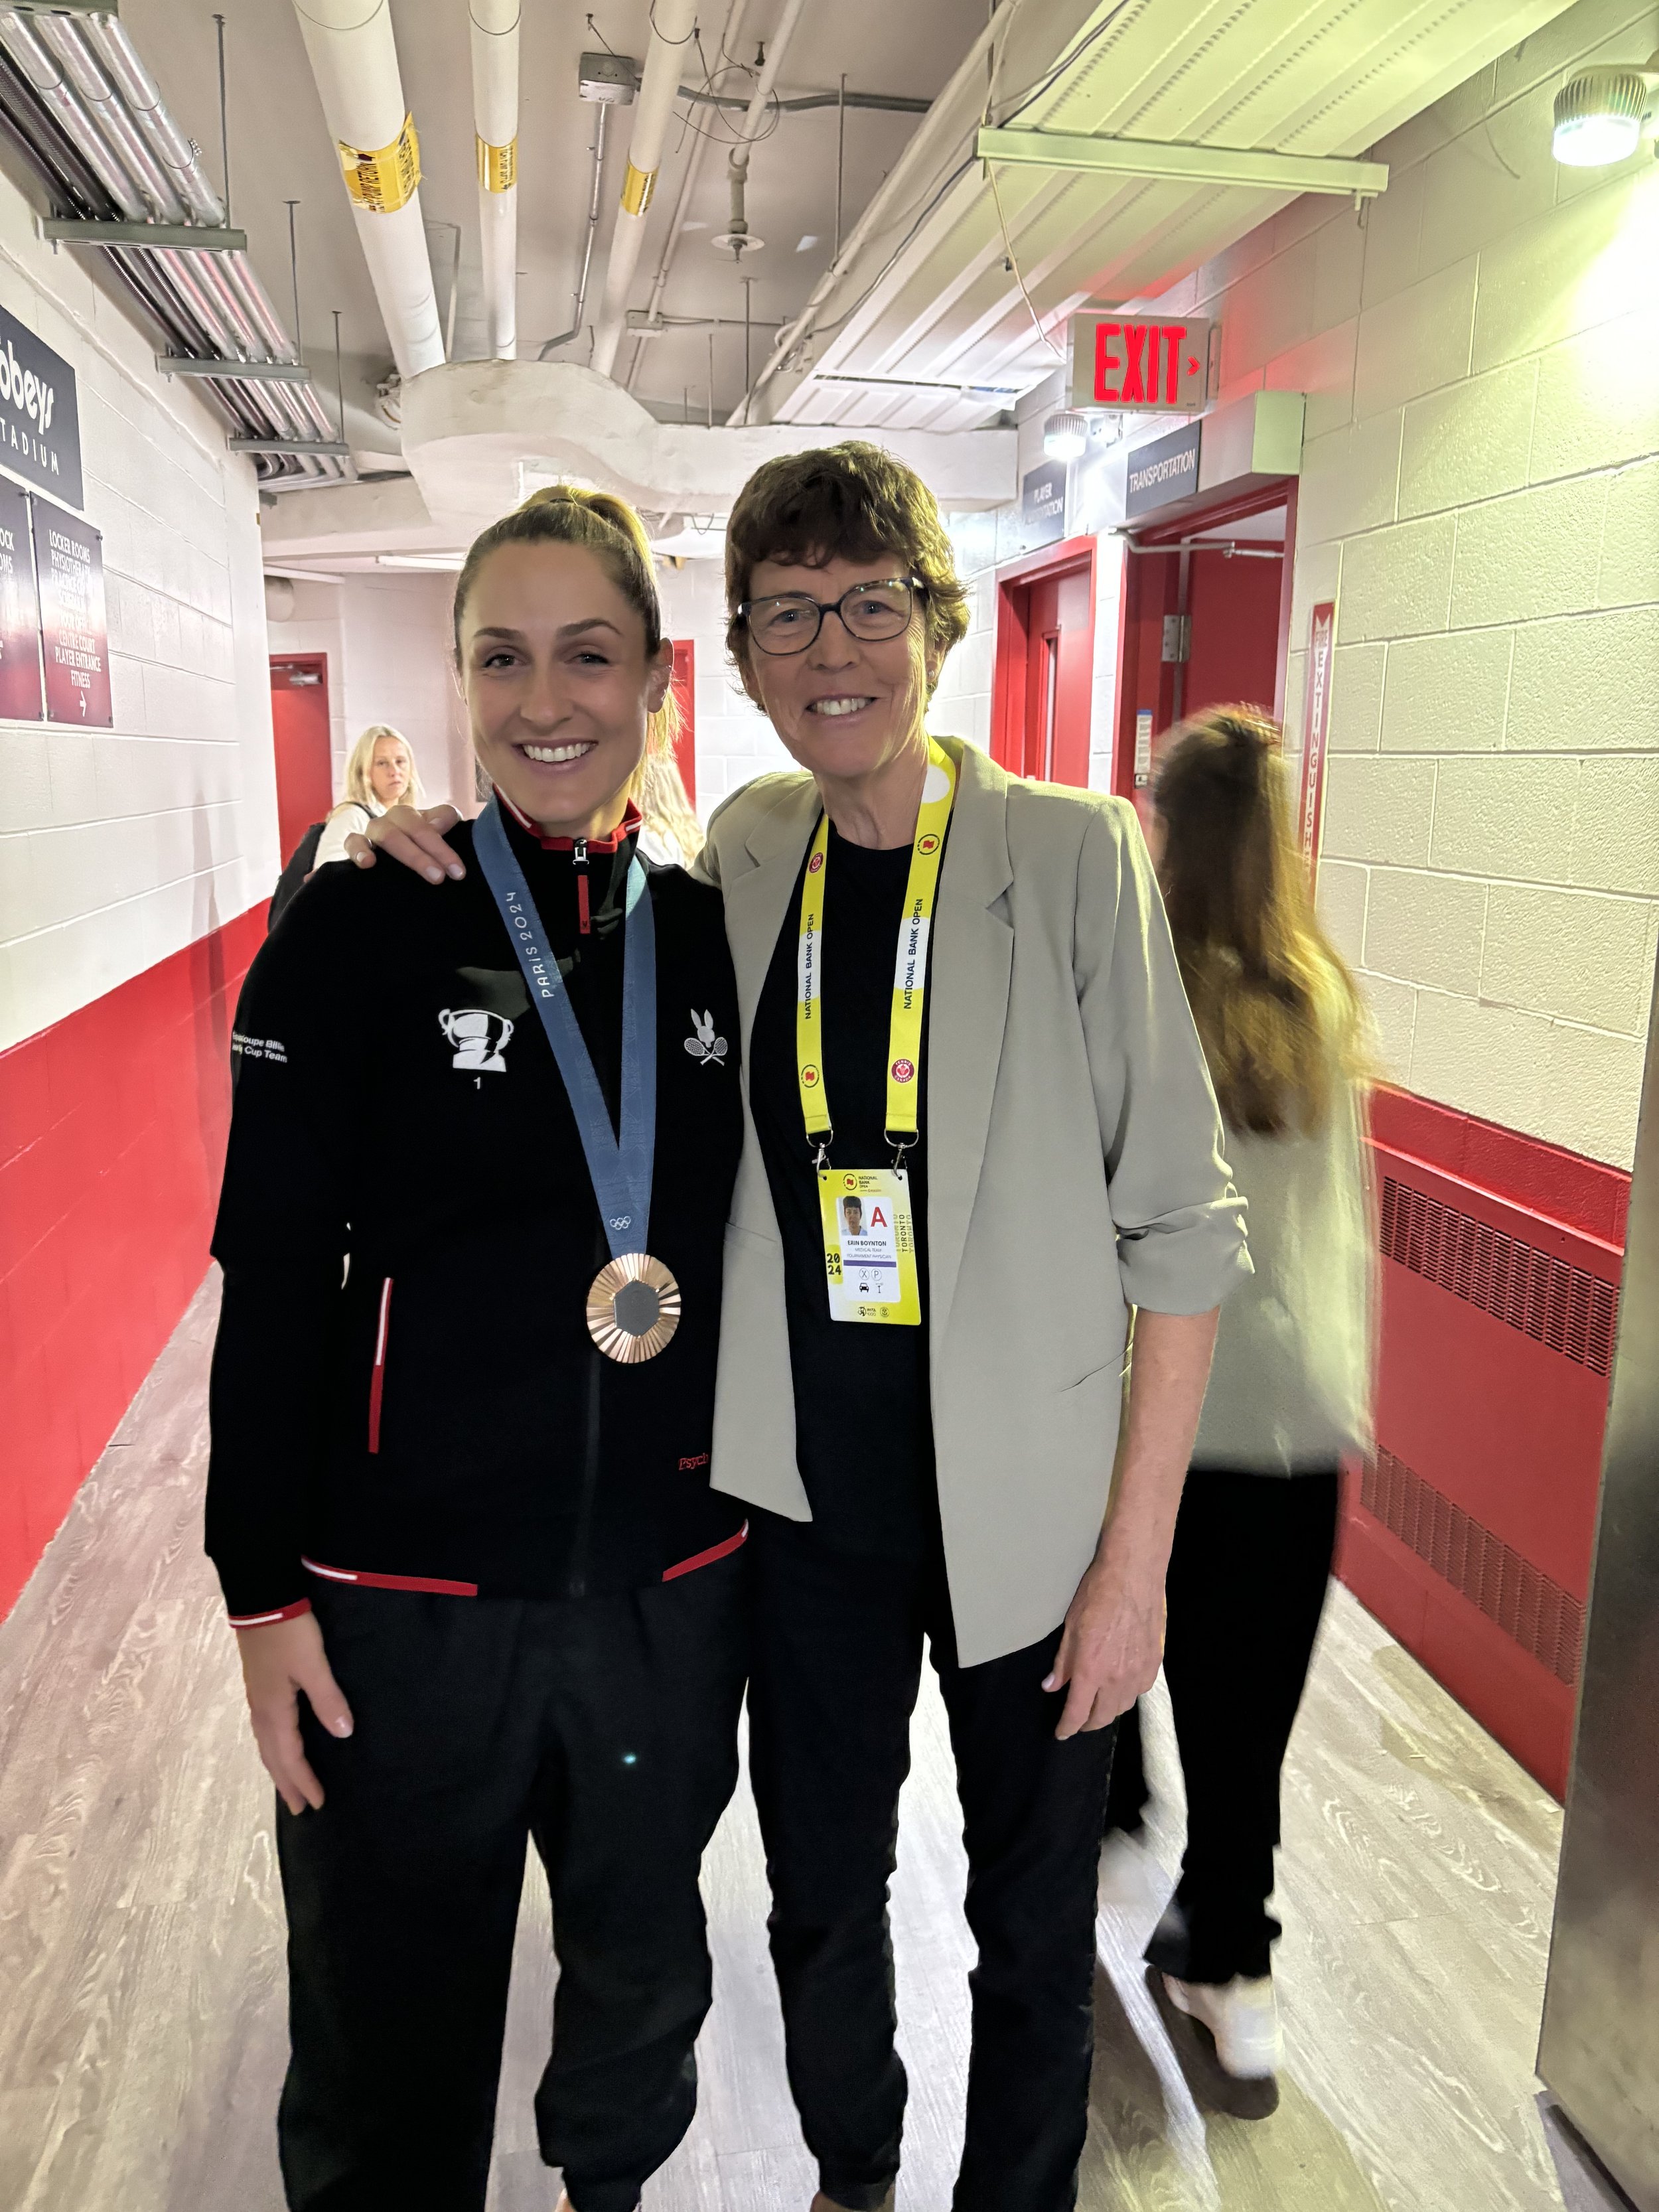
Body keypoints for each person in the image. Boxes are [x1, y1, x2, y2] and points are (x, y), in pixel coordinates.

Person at [350, 441, 1251, 2212]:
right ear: (743, 663)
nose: (830, 646)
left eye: (864, 603)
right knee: (822, 1884)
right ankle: (851, 2174)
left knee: (1022, 1919)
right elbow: (573, 891)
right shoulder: (747, 850)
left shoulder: (1073, 857)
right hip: (803, 1506)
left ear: (934, 626)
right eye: (785, 614)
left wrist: (1136, 1556)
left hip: (1035, 1515)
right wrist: (434, 842)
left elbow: (1184, 1224)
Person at [206, 485, 750, 2212]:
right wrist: (258, 1590)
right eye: (501, 657)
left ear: (654, 678)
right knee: (385, 2025)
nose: (546, 700)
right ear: (455, 677)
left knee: (642, 1984)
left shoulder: (718, 931)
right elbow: (272, 1269)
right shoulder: (361, 924)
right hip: (399, 1601)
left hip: (666, 1584)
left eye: (588, 653)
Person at [1102, 706, 1374, 2085]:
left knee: (1100, 1653)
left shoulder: (1134, 992)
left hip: (1147, 1414)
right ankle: (1229, 1951)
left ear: (1160, 822)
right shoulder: (1320, 998)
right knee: (1244, 1714)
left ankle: (1104, 1813)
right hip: (1286, 1415)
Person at [311, 721, 425, 867]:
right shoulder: (352, 817)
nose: (394, 771)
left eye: (400, 761)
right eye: (382, 763)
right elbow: (326, 878)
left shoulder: (409, 818)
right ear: (363, 771)